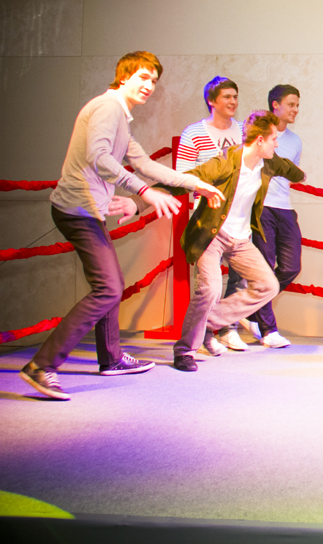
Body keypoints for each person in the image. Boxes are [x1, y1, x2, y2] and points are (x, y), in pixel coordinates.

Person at [20, 52, 225, 400]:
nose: (149, 86)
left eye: (154, 81)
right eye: (143, 77)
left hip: (88, 212)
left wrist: (196, 184)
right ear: (124, 76)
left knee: (110, 285)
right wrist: (144, 192)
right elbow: (98, 157)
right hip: (76, 211)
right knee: (108, 288)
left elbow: (145, 163)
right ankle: (41, 366)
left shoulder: (120, 116)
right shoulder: (107, 108)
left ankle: (111, 358)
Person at [169, 111, 306, 372]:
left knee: (268, 285)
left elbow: (287, 168)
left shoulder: (268, 162)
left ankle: (206, 324)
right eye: (274, 139)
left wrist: (301, 175)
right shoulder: (224, 162)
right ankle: (184, 350)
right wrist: (141, 198)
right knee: (210, 289)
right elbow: (187, 179)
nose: (277, 144)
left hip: (241, 240)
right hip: (212, 235)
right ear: (259, 141)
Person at [176, 76, 248, 354]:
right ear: (211, 101)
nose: (233, 102)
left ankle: (229, 330)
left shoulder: (243, 130)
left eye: (235, 96)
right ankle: (203, 337)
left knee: (240, 278)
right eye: (227, 97)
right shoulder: (193, 132)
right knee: (209, 284)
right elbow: (182, 176)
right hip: (207, 216)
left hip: (238, 217)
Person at [237, 84, 304, 349]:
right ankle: (268, 330)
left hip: (285, 208)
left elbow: (290, 175)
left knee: (291, 267)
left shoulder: (295, 141)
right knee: (265, 265)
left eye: (297, 105)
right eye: (291, 104)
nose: (295, 109)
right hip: (262, 207)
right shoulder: (258, 135)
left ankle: (250, 309)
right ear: (275, 105)